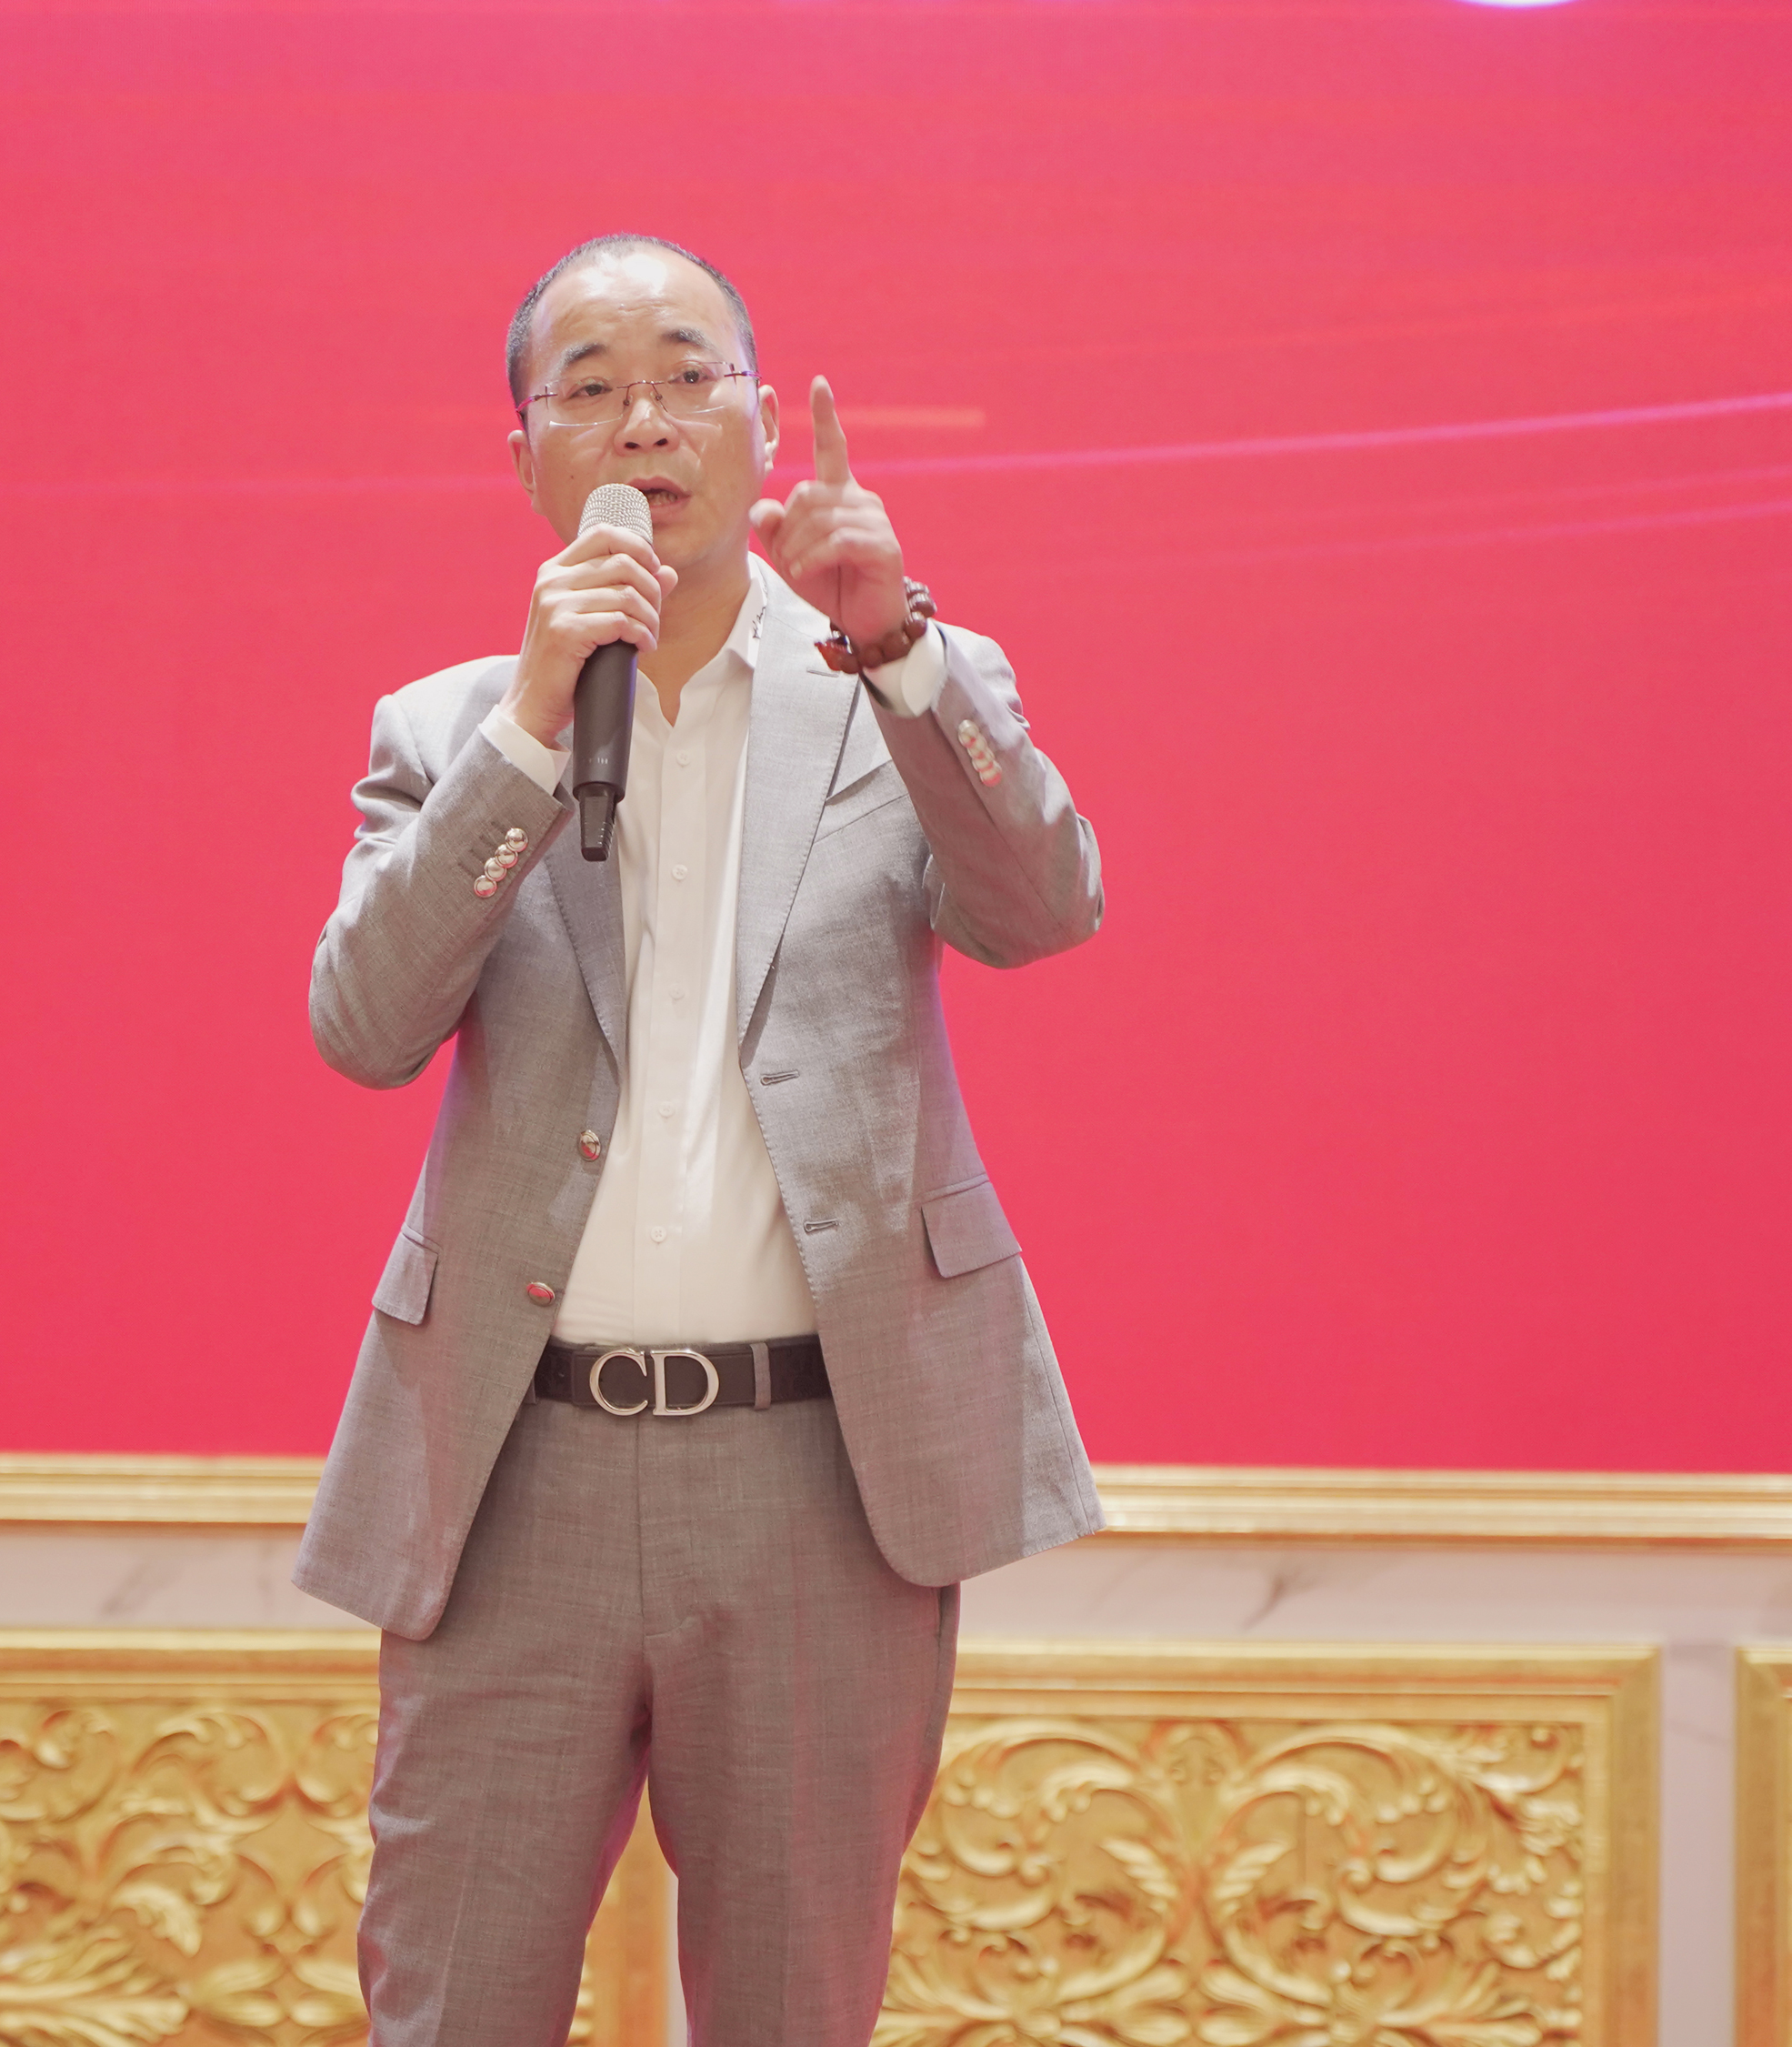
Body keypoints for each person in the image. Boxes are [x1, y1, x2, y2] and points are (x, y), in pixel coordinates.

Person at [298, 232, 1105, 2047]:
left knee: (792, 2013)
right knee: (449, 2006)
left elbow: (1043, 906)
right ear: (525, 456)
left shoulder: (895, 684)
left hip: (819, 1467)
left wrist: (895, 640)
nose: (643, 421)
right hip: (513, 1468)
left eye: (685, 375)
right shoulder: (449, 727)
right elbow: (363, 1025)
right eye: (587, 389)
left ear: (761, 423)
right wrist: (529, 723)